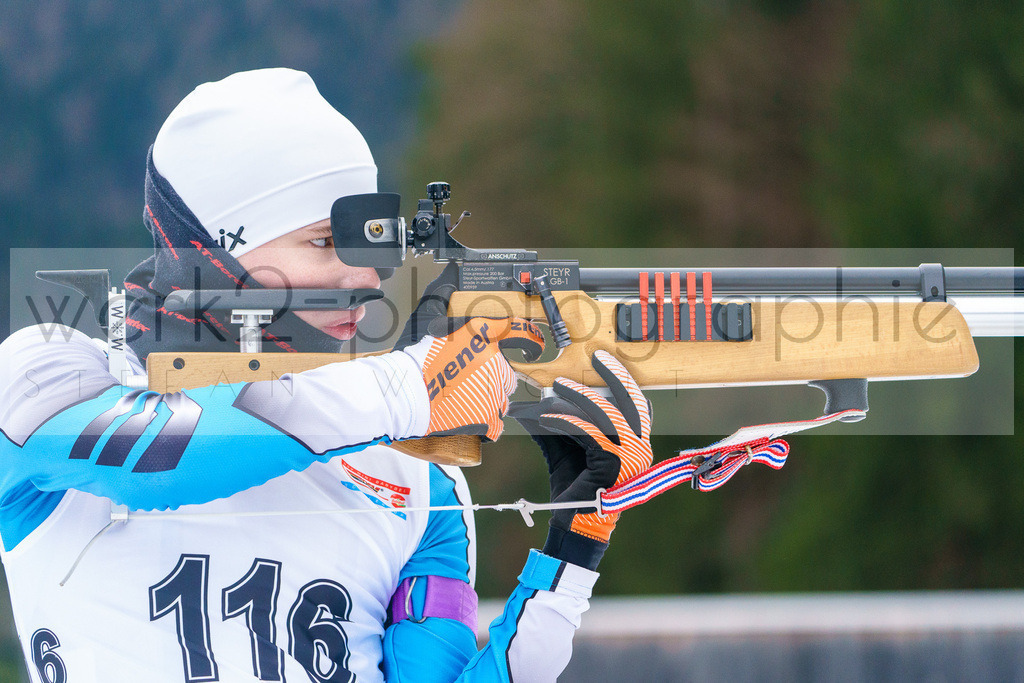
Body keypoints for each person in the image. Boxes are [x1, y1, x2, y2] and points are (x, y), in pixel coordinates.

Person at [0, 68, 653, 682]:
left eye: (369, 244)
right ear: (211, 251)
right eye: (322, 240)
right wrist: (409, 389)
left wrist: (573, 552)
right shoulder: (45, 373)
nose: (366, 279)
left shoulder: (418, 474)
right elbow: (160, 456)